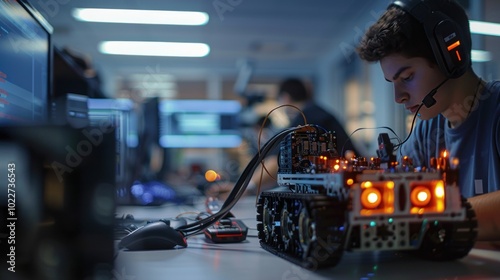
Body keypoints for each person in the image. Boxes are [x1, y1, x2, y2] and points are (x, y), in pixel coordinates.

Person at [356, 0, 500, 243]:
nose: (398, 97)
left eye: (408, 77)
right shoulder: (426, 131)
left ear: (450, 57)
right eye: (393, 82)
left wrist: (430, 217)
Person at [206, 77, 359, 198]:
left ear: (285, 98)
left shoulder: (305, 118)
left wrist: (243, 189)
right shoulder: (317, 113)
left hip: (352, 187)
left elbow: (278, 161)